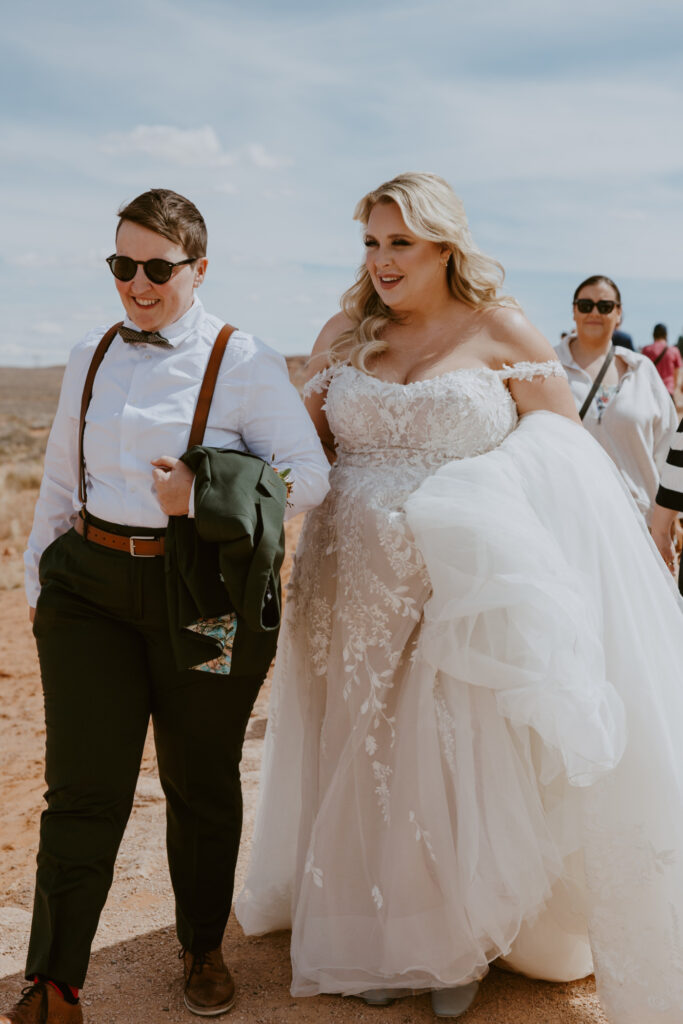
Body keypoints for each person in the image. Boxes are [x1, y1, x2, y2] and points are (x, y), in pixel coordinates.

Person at [235, 172, 683, 1024]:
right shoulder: (344, 332)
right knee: (362, 746)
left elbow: (561, 445)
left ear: (446, 247)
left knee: (450, 747)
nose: (381, 261)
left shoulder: (499, 327)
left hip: (459, 584)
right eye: (370, 242)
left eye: (399, 242)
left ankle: (457, 940)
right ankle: (379, 927)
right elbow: (303, 445)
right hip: (348, 582)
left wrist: (470, 492)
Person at [2, 189, 329, 1024]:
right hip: (90, 592)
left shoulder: (244, 357)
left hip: (203, 599)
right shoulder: (90, 351)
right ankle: (54, 980)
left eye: (156, 267)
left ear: (199, 268)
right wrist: (42, 587)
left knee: (201, 779)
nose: (137, 284)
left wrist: (206, 496)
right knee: (83, 788)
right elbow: (60, 485)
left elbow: (309, 475)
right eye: (122, 265)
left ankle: (201, 946)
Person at [557, 278, 676, 523]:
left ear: (619, 312)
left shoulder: (642, 369)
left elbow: (668, 448)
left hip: (639, 522)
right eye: (585, 304)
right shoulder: (549, 366)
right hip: (568, 518)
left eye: (605, 306)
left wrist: (669, 518)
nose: (594, 312)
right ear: (574, 310)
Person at [642, 323, 682, 399]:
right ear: (666, 335)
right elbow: (677, 372)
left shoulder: (646, 350)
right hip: (668, 390)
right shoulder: (674, 351)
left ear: (653, 334)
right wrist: (675, 388)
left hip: (651, 391)